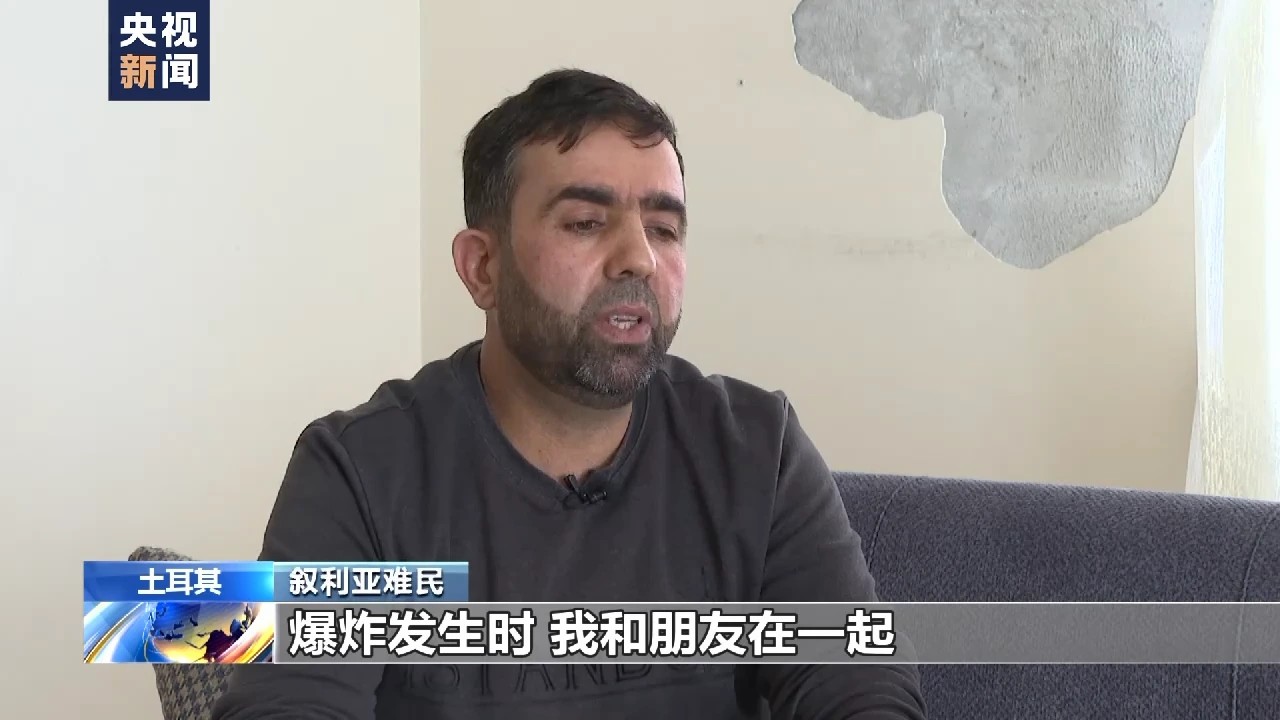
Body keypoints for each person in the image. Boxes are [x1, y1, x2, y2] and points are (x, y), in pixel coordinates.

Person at [211, 68, 927, 720]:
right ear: (482, 267)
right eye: (586, 223)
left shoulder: (757, 449)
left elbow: (864, 691)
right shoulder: (359, 471)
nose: (639, 258)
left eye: (664, 229)